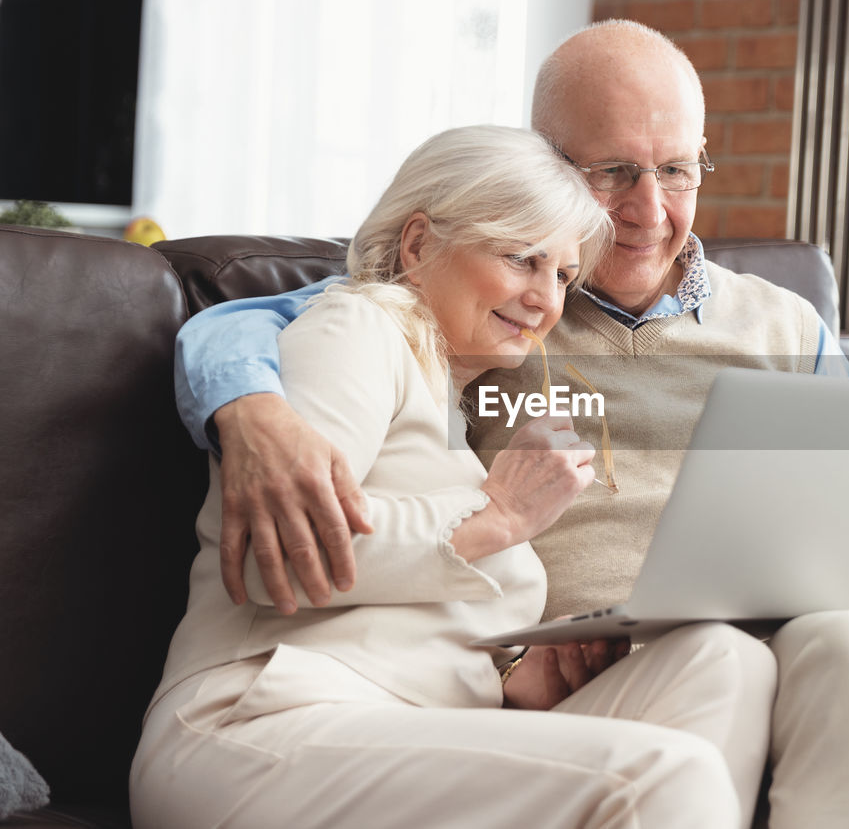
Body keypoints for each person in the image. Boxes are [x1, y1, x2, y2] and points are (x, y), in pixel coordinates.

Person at [173, 21, 849, 827]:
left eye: (677, 169)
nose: (648, 209)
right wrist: (249, 407)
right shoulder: (483, 310)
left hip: (763, 649)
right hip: (598, 681)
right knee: (715, 668)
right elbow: (277, 319)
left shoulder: (785, 325)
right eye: (614, 171)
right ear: (547, 165)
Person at [132, 125, 788, 829]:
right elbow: (279, 565)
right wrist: (496, 518)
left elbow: (419, 610)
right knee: (664, 773)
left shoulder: (456, 397)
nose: (544, 299)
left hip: (414, 730)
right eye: (521, 259)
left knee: (727, 664)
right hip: (258, 722)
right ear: (417, 246)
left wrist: (514, 669)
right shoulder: (356, 330)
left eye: (563, 275)